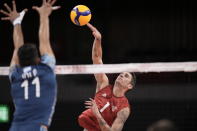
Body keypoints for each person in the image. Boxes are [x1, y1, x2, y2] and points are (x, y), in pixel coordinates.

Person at [0, 0, 60, 131]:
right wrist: (44, 16)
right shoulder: (46, 70)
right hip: (36, 127)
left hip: (16, 127)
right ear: (39, 59)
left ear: (19, 62)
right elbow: (44, 41)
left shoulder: (15, 74)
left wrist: (16, 22)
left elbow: (17, 49)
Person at [78, 23, 136, 131]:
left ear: (129, 86)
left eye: (126, 76)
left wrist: (97, 114)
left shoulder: (124, 109)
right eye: (121, 73)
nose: (121, 75)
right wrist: (98, 40)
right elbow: (97, 58)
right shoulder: (103, 83)